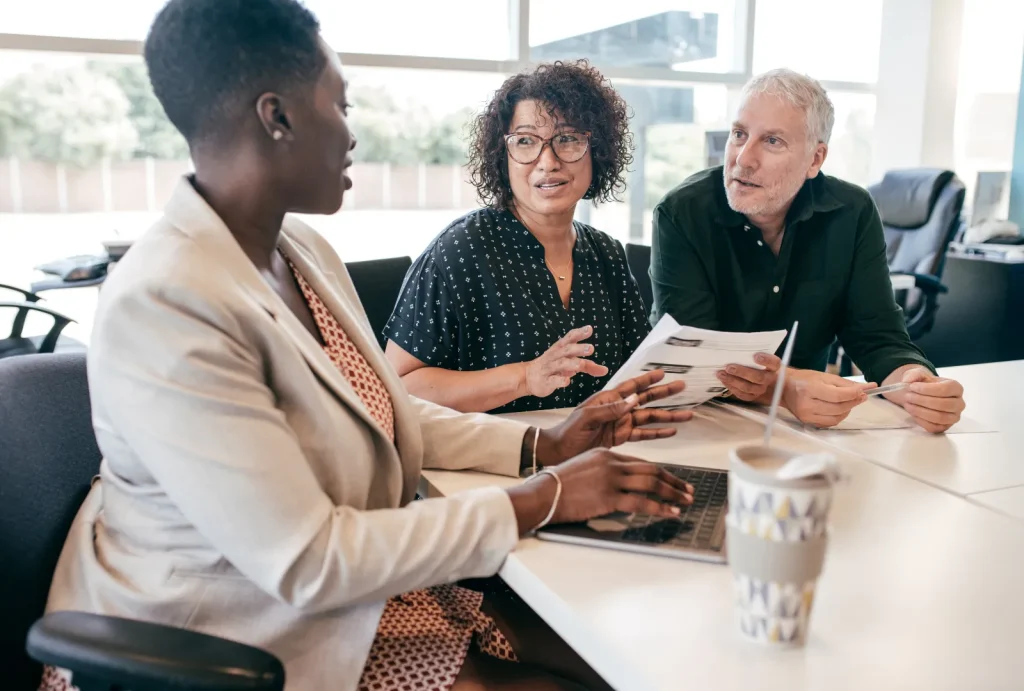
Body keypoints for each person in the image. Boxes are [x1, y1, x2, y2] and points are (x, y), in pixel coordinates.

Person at [38, 3, 698, 691]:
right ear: (278, 116)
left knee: (608, 656)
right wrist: (543, 496)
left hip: (354, 595)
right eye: (340, 104)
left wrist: (544, 447)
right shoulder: (167, 300)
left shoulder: (302, 251)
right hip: (230, 630)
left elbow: (384, 407)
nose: (351, 134)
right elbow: (308, 558)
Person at [649, 68, 966, 432]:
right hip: (701, 421)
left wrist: (914, 382)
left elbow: (877, 335)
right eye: (739, 134)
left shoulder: (852, 212)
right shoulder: (682, 213)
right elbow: (695, 358)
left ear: (815, 160)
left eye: (772, 142)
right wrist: (784, 388)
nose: (743, 159)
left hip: (807, 429)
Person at [383, 61, 651, 414]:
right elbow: (398, 386)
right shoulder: (461, 250)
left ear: (597, 150)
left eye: (567, 138)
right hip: (490, 460)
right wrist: (526, 377)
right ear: (502, 156)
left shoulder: (606, 254)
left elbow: (642, 371)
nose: (548, 161)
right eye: (525, 141)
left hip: (591, 454)